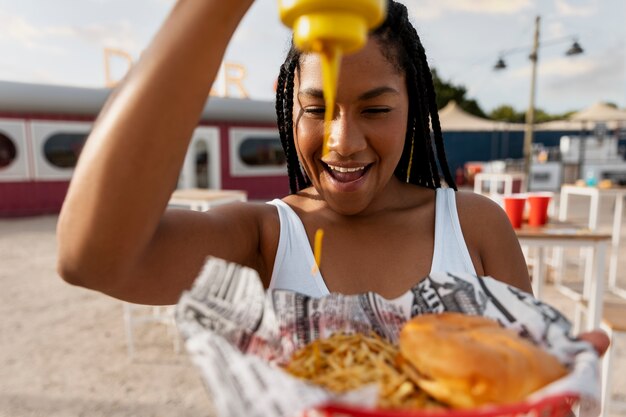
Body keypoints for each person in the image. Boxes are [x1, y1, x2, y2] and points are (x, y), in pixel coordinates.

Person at [56, 0, 608, 354]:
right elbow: (94, 259)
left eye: (375, 108)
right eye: (316, 109)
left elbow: (525, 375)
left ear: (413, 108)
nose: (342, 141)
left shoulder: (474, 226)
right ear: (288, 108)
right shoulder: (264, 238)